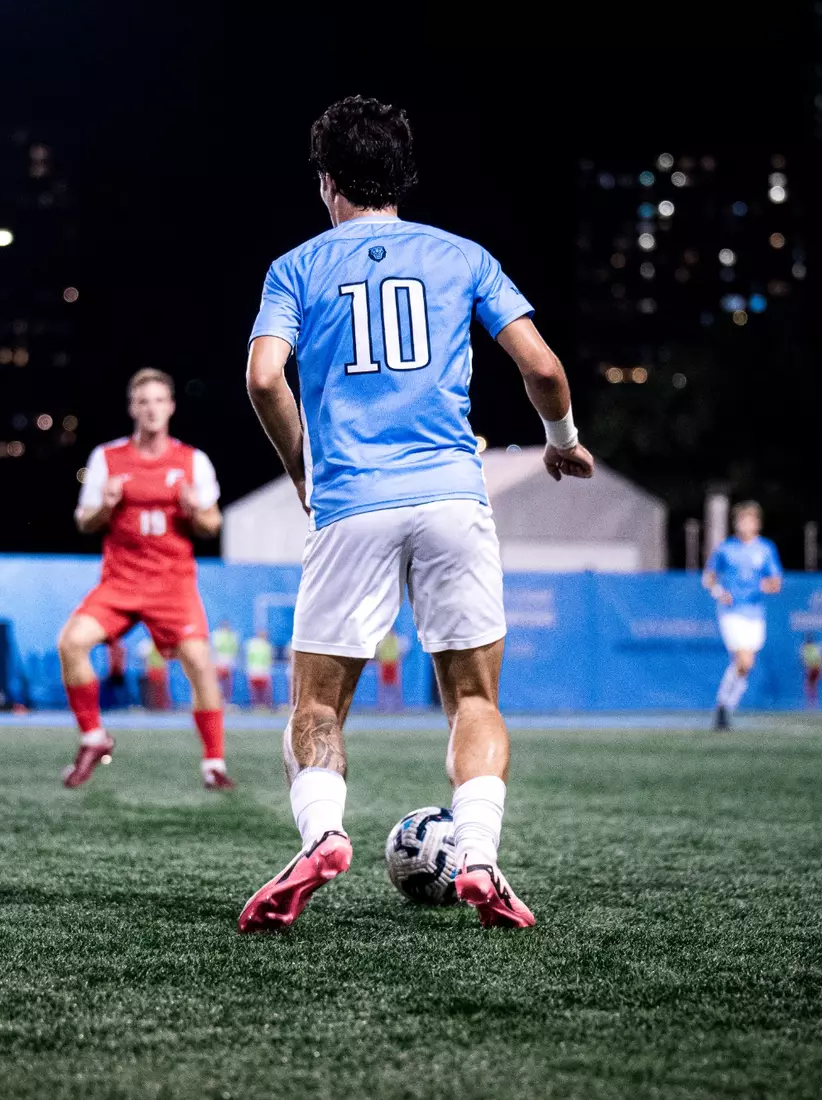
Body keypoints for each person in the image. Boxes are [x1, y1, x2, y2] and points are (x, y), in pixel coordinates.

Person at [238, 97, 594, 932]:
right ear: (403, 177)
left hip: (352, 502)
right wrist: (561, 440)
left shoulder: (296, 267)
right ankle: (477, 855)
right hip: (451, 497)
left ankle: (323, 835)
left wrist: (302, 468)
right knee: (473, 698)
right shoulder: (463, 256)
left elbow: (262, 378)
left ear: (327, 182)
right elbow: (541, 366)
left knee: (316, 707)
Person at [57, 368, 235, 791]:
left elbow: (213, 523)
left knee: (200, 667)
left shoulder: (193, 461)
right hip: (120, 582)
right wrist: (105, 506)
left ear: (170, 406)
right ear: (132, 408)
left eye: (158, 400)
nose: (151, 409)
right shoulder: (108, 458)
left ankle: (214, 763)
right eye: (143, 401)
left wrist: (196, 510)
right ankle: (94, 738)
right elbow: (85, 521)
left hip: (173, 585)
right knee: (71, 643)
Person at [703, 501, 784, 729]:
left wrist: (760, 586)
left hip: (755, 612)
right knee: (743, 659)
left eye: (749, 520)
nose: (744, 524)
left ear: (757, 524)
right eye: (740, 520)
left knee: (745, 666)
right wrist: (719, 592)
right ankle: (724, 709)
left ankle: (724, 707)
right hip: (731, 612)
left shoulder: (765, 549)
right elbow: (709, 577)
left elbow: (776, 583)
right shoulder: (726, 548)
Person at [375, 631, 405, 713]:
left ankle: (397, 706)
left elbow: (401, 651)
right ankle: (383, 706)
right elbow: (377, 652)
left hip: (393, 664)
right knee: (384, 687)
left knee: (395, 687)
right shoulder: (382, 640)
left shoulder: (396, 639)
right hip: (384, 664)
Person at [211, 620, 240, 704]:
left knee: (227, 684)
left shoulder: (232, 636)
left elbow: (235, 650)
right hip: (218, 663)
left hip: (229, 663)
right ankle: (216, 700)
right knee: (217, 683)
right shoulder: (216, 635)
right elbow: (213, 649)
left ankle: (226, 701)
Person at [245, 630, 275, 710]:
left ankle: (263, 705)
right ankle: (257, 705)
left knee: (264, 689)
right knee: (257, 689)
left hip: (261, 670)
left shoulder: (265, 645)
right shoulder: (255, 644)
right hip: (256, 669)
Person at [801, 634, 822, 708]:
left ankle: (811, 702)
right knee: (813, 685)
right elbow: (820, 658)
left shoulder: (805, 648)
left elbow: (805, 660)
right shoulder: (815, 647)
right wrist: (821, 668)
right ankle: (813, 702)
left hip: (811, 668)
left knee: (809, 685)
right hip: (816, 667)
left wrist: (807, 667)